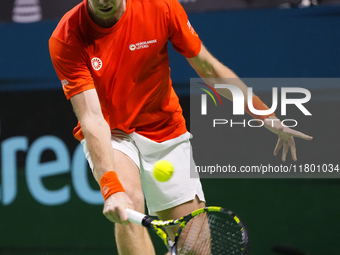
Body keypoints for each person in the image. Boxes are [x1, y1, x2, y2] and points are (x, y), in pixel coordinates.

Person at [49, 0, 313, 254]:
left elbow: (208, 67)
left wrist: (264, 113)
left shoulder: (160, 6)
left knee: (195, 249)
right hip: (113, 132)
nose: (105, 1)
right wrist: (111, 188)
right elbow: (92, 117)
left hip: (164, 127)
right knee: (126, 203)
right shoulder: (66, 36)